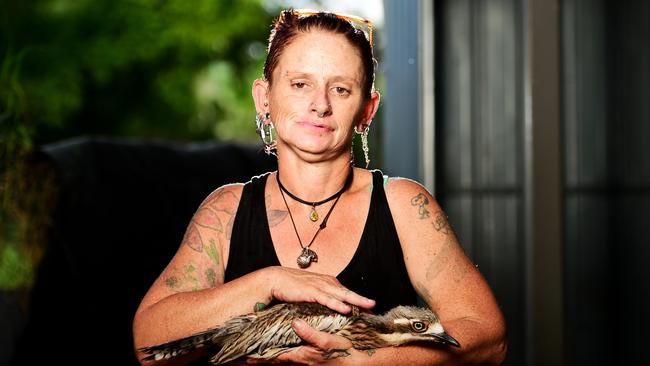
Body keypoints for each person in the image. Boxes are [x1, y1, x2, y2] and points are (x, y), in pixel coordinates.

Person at [133, 9, 507, 365]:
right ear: (265, 98)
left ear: (367, 110)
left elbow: (490, 339)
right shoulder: (226, 209)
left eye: (341, 89)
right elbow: (148, 346)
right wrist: (268, 282)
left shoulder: (404, 205)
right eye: (300, 84)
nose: (320, 105)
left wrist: (370, 362)